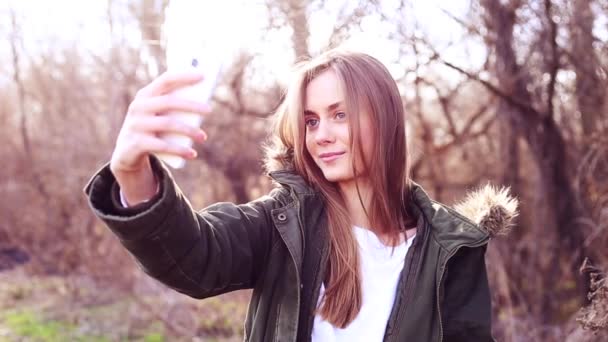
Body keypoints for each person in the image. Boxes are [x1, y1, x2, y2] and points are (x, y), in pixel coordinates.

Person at [84, 49, 518, 341]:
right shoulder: (282, 224)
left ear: (384, 120)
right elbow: (195, 256)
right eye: (310, 121)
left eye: (339, 115)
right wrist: (131, 171)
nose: (322, 135)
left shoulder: (452, 250)